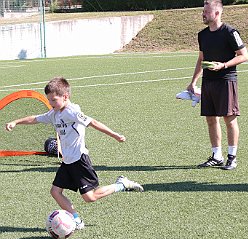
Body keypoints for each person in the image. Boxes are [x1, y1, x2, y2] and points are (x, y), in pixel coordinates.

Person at [5, 77, 144, 229]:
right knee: (55, 191)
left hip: (79, 159)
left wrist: (114, 135)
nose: (51, 104)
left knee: (90, 197)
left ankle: (121, 184)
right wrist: (16, 122)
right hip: (67, 161)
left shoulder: (73, 112)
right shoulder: (54, 113)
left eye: (53, 100)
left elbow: (93, 123)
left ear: (65, 97)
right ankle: (76, 220)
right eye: (49, 100)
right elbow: (35, 119)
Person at [187, 0, 248, 170]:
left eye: (206, 11)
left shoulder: (230, 32)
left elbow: (244, 55)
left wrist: (223, 65)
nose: (203, 14)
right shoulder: (202, 34)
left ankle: (232, 157)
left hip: (226, 80)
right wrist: (193, 82)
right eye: (203, 11)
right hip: (208, 82)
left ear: (217, 13)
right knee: (211, 119)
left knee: (229, 119)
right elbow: (201, 59)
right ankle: (216, 156)